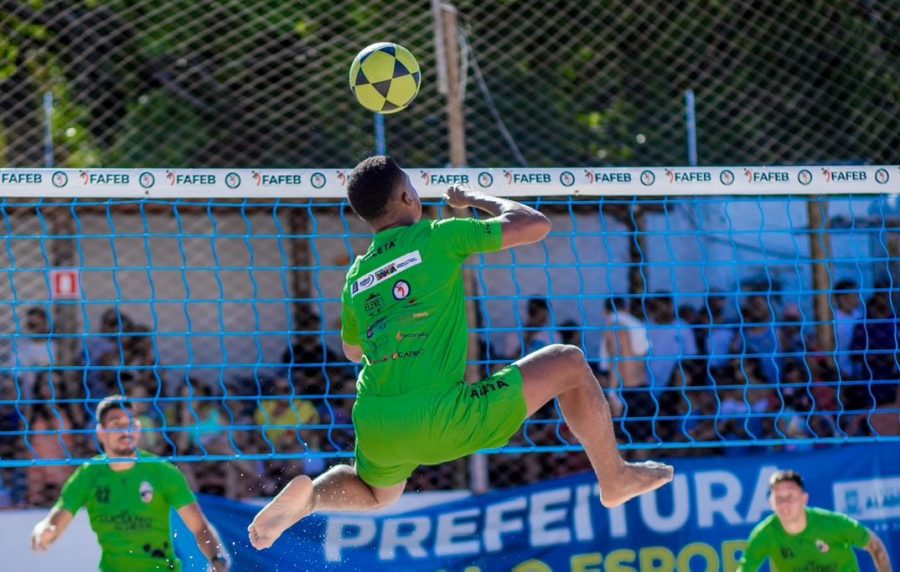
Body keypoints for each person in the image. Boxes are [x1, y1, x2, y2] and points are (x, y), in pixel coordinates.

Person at [248, 155, 673, 550]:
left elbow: (352, 349)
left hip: (376, 417)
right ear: (407, 197)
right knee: (569, 362)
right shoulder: (438, 237)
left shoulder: (356, 276)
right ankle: (614, 477)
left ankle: (310, 499)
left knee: (377, 492)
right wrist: (472, 200)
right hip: (440, 413)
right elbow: (534, 224)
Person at [30, 395, 231, 572]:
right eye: (116, 424)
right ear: (101, 432)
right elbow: (56, 519)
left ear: (138, 428)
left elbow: (200, 528)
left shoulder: (162, 472)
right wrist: (44, 532)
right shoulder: (88, 475)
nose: (125, 431)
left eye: (130, 424)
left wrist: (217, 559)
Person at [738, 470, 892, 572]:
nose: (784, 504)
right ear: (770, 502)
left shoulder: (834, 524)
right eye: (778, 498)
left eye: (790, 497)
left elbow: (875, 546)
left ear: (804, 499)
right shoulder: (764, 534)